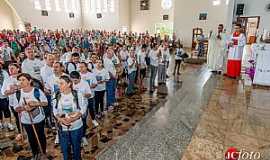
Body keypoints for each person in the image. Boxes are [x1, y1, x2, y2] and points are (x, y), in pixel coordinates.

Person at [14, 73, 48, 159]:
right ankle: (35, 153)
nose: (21, 82)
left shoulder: (37, 91)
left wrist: (36, 103)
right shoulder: (18, 93)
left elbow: (45, 103)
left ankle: (43, 151)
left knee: (41, 136)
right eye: (19, 80)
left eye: (23, 80)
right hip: (26, 120)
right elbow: (16, 108)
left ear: (29, 81)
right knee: (31, 138)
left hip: (39, 118)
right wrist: (23, 108)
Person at [53, 75, 87, 160]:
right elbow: (55, 110)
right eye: (58, 84)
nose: (59, 86)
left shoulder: (77, 94)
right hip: (62, 128)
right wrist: (60, 119)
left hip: (76, 126)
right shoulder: (56, 95)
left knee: (76, 148)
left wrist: (73, 119)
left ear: (69, 84)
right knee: (65, 150)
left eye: (61, 83)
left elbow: (83, 109)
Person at [70, 71, 92, 146]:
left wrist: (82, 95)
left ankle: (83, 136)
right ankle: (76, 138)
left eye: (75, 80)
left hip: (83, 106)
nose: (74, 82)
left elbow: (89, 94)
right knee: (75, 122)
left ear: (79, 77)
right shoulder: (70, 84)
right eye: (72, 80)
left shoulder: (85, 83)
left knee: (83, 122)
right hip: (74, 108)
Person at [1, 63, 20, 132]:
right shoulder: (7, 80)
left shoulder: (23, 77)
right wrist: (10, 91)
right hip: (13, 103)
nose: (10, 70)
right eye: (9, 69)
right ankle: (20, 132)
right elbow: (3, 92)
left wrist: (18, 88)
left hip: (24, 101)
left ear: (18, 69)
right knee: (17, 118)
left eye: (12, 68)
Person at [79, 62, 99, 127]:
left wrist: (89, 87)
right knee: (83, 111)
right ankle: (84, 124)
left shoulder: (91, 75)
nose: (81, 68)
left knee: (91, 108)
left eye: (82, 67)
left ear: (86, 67)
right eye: (80, 67)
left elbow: (95, 84)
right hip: (81, 98)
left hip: (90, 95)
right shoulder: (78, 75)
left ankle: (93, 119)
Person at [0, 58, 14, 130]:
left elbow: (8, 82)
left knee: (6, 109)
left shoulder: (4, 73)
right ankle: (1, 123)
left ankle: (9, 123)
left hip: (4, 95)